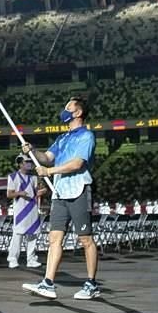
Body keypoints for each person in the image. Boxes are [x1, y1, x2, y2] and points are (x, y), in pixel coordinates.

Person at [22, 96, 100, 300]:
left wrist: (49, 171)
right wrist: (32, 151)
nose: (64, 110)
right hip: (60, 193)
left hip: (79, 190)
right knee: (54, 238)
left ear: (78, 112)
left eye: (68, 107)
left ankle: (91, 284)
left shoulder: (87, 136)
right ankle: (48, 283)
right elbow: (46, 158)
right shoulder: (63, 138)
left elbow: (77, 164)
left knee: (85, 239)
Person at [6, 154, 44, 269]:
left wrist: (42, 191)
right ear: (20, 163)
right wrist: (19, 193)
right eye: (27, 162)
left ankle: (31, 259)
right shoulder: (13, 177)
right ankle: (12, 259)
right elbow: (9, 194)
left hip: (32, 207)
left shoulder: (33, 178)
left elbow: (36, 192)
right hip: (20, 209)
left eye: (30, 162)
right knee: (18, 234)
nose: (29, 164)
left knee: (32, 234)